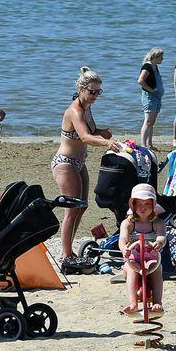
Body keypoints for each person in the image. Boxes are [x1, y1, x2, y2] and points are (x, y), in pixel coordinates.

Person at [54, 67, 121, 271]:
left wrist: (102, 132)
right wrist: (106, 143)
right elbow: (84, 137)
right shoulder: (75, 110)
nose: (95, 96)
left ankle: (69, 251)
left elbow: (89, 131)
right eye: (92, 91)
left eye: (98, 92)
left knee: (81, 207)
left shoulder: (87, 107)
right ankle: (66, 254)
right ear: (81, 89)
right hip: (65, 163)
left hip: (79, 163)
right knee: (71, 210)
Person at [120, 184, 167, 316]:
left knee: (157, 270)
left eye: (147, 204)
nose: (143, 207)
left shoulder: (158, 223)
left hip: (152, 259)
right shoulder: (128, 223)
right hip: (133, 259)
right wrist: (124, 248)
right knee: (131, 270)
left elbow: (162, 236)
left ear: (153, 205)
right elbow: (122, 238)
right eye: (139, 203)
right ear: (133, 205)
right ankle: (133, 303)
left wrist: (159, 243)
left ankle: (157, 302)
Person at [137, 48, 165, 150]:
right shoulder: (147, 66)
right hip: (149, 96)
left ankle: (150, 144)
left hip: (157, 97)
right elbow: (140, 80)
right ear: (155, 57)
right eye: (161, 57)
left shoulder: (155, 66)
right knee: (147, 121)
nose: (162, 59)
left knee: (152, 122)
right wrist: (151, 90)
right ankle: (143, 145)